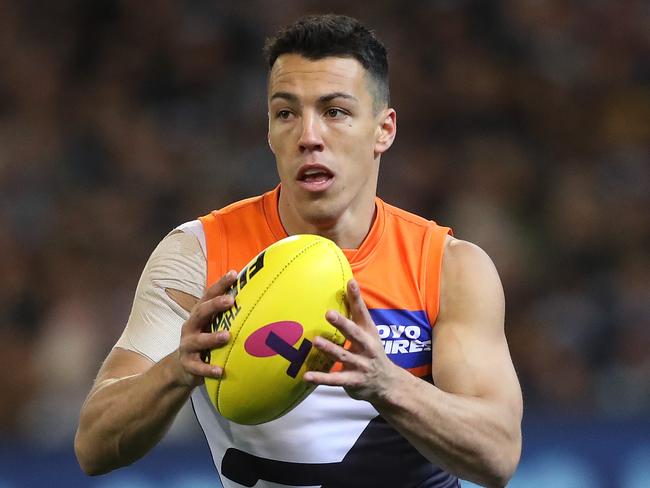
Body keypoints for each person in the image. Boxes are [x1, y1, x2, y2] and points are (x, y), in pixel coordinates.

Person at [75, 14, 522, 488]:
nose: (309, 136)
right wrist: (175, 370)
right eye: (286, 113)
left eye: (335, 112)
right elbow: (93, 446)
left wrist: (388, 384)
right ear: (269, 131)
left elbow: (497, 455)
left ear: (383, 130)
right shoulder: (199, 255)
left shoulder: (447, 266)